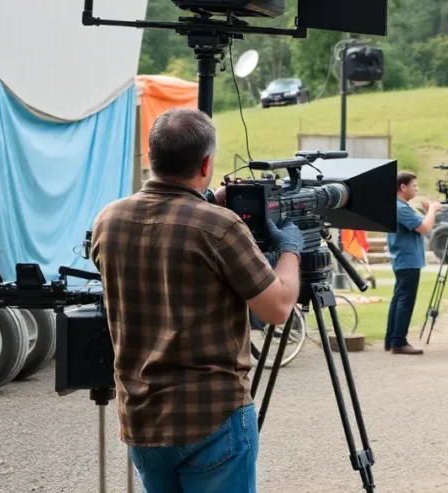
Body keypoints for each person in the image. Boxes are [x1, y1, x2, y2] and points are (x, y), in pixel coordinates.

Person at [91, 109, 304, 492]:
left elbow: (165, 243)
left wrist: (205, 199)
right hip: (212, 416)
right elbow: (278, 307)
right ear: (206, 163)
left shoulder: (109, 220)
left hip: (142, 417)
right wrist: (291, 249)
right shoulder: (219, 226)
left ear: (152, 156)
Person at [384, 171, 441, 355]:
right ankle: (399, 341)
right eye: (414, 186)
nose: (416, 189)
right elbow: (424, 228)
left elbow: (420, 224)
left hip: (403, 258)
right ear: (403, 187)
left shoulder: (399, 206)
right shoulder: (401, 208)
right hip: (407, 259)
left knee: (398, 299)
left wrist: (426, 212)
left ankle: (391, 339)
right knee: (405, 301)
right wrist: (432, 210)